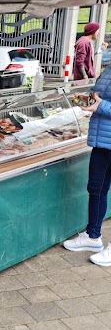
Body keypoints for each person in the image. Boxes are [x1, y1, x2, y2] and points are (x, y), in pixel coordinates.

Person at [63, 64, 111, 265]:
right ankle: (93, 237)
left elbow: (103, 103)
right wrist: (90, 99)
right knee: (96, 189)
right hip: (102, 140)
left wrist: (100, 106)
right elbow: (101, 97)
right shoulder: (109, 68)